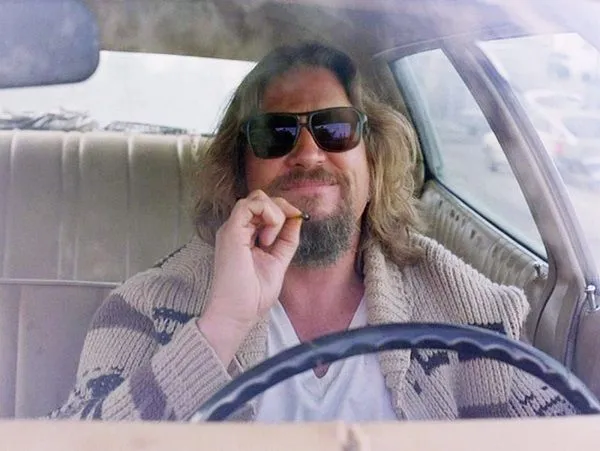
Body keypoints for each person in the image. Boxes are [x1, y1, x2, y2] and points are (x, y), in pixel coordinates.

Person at [51, 42, 573, 421]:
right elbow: (74, 440)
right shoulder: (145, 308)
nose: (307, 153)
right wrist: (220, 327)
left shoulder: (474, 314)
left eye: (335, 128)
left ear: (373, 159)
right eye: (276, 133)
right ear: (241, 169)